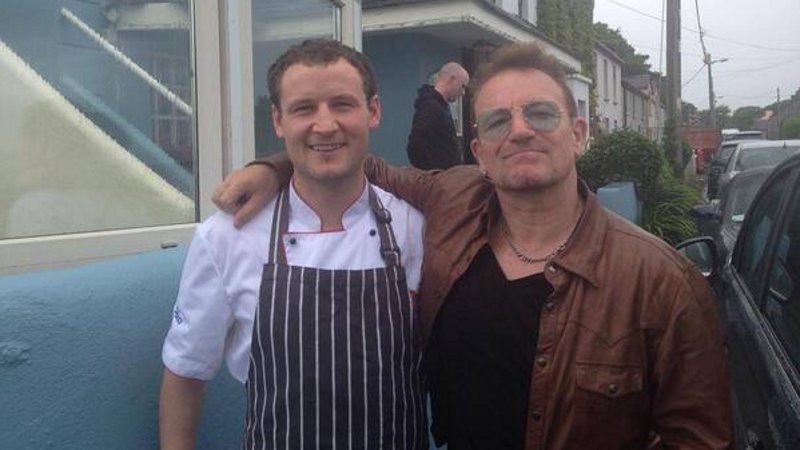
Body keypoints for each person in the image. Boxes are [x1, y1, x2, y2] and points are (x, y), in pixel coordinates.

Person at [212, 42, 733, 449]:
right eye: (499, 121)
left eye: (542, 115)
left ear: (578, 134)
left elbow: (700, 440)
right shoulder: (454, 200)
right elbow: (352, 163)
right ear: (479, 150)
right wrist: (272, 167)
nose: (521, 131)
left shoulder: (662, 281)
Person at [159, 39, 428, 450]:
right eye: (304, 108)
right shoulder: (226, 237)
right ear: (279, 120)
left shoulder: (414, 226)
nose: (324, 125)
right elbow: (185, 372)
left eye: (342, 104)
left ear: (373, 111)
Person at [406, 62, 469, 170]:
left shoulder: (441, 107)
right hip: (439, 180)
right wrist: (432, 175)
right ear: (451, 79)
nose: (463, 92)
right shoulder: (431, 107)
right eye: (462, 86)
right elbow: (414, 146)